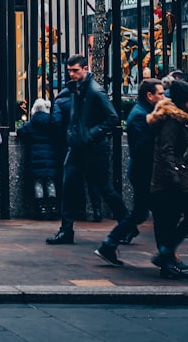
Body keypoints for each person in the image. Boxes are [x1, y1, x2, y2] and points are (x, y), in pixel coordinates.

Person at [46, 54, 129, 245]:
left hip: (94, 148)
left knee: (104, 188)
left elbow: (112, 118)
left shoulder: (95, 91)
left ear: (85, 68)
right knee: (68, 187)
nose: (72, 74)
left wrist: (91, 135)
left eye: (75, 70)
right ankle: (66, 230)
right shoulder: (77, 89)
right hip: (77, 147)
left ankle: (127, 225)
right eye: (69, 71)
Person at [95, 78, 165, 266]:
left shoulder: (146, 112)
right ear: (150, 96)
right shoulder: (141, 116)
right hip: (144, 173)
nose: (163, 97)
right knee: (156, 213)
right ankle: (165, 255)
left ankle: (109, 244)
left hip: (143, 172)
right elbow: (143, 148)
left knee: (140, 213)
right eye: (161, 93)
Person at [147, 80, 188, 278]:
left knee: (173, 219)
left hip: (176, 178)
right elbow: (166, 152)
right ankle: (165, 256)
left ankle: (166, 255)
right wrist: (175, 176)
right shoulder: (172, 121)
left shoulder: (180, 118)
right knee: (173, 219)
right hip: (171, 181)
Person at [17, 98, 62, 219]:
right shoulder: (51, 122)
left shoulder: (32, 123)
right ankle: (53, 207)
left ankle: (41, 207)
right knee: (50, 182)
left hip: (35, 157)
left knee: (38, 182)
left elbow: (20, 131)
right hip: (51, 158)